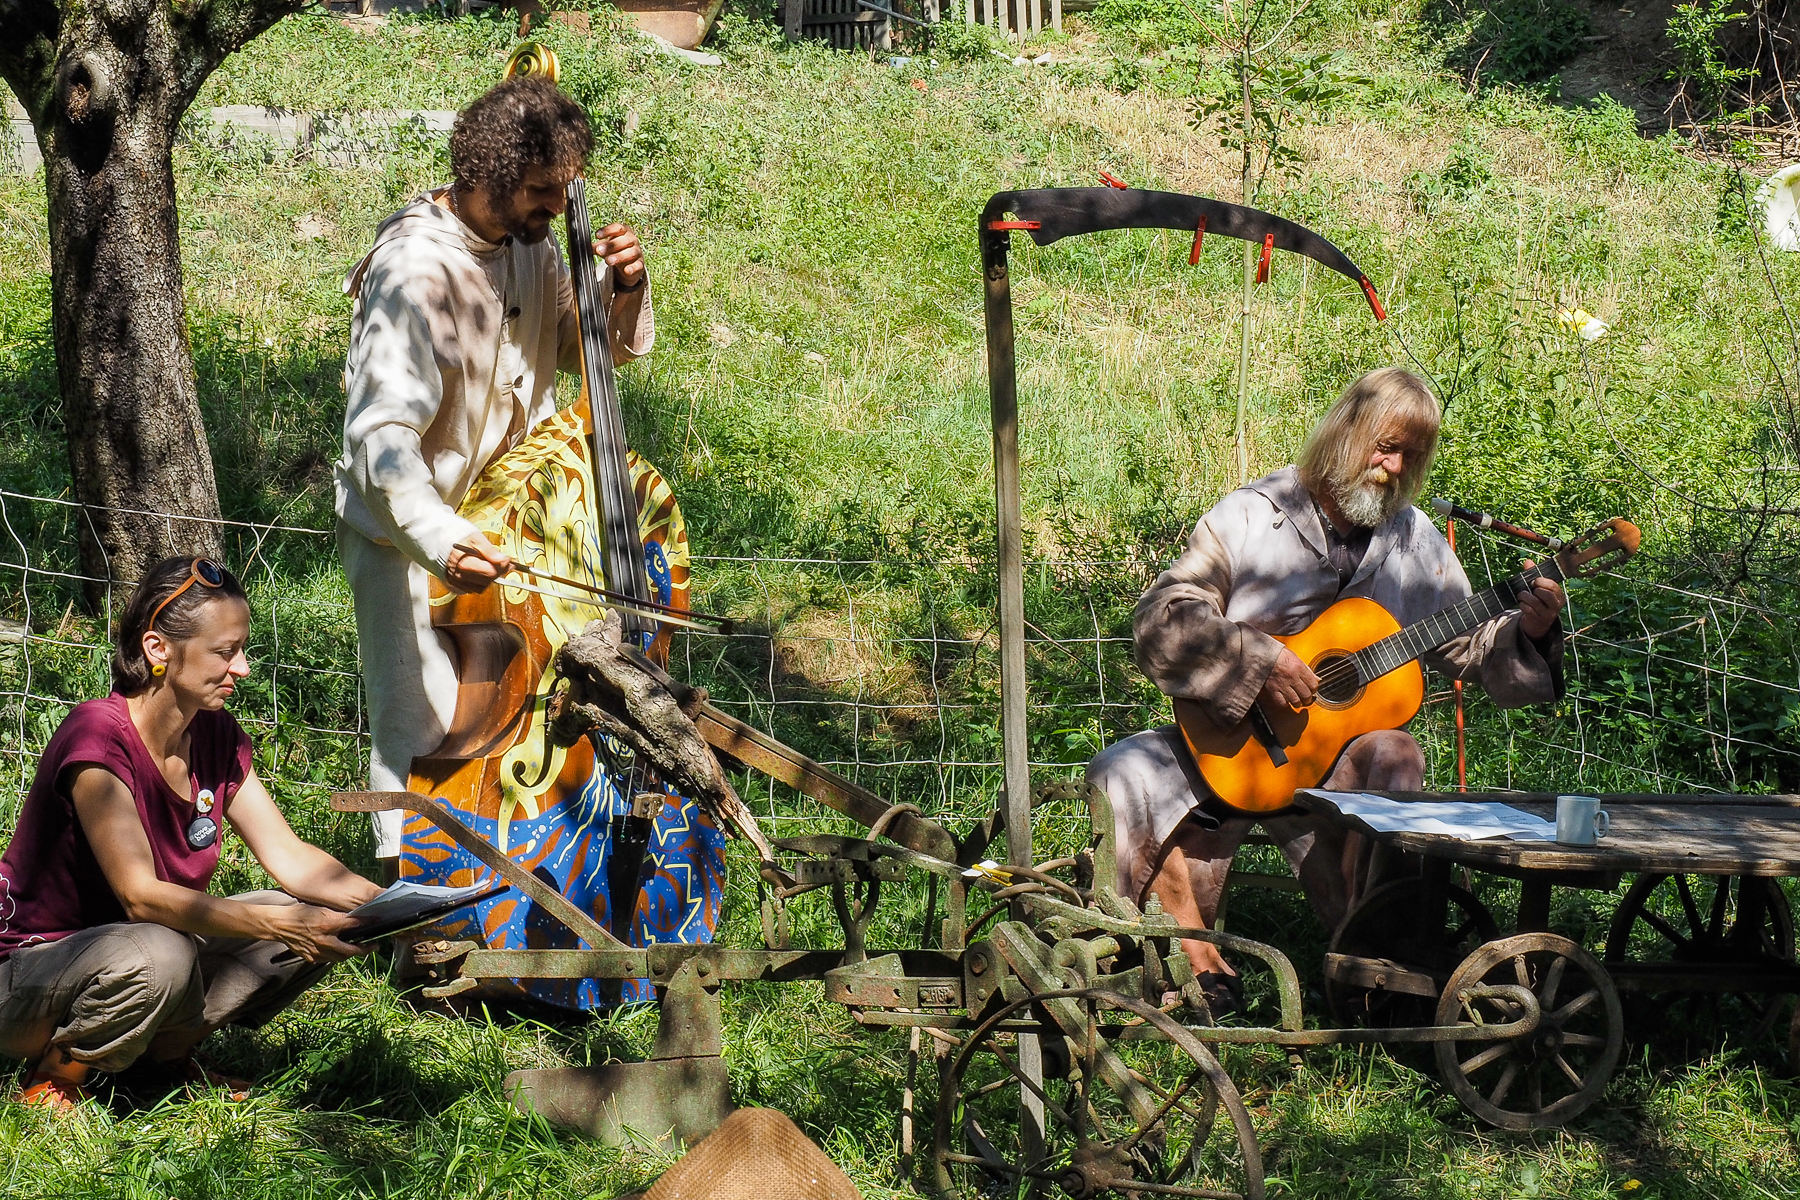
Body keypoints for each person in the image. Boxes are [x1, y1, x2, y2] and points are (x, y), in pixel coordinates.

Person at [1087, 367, 1567, 1004]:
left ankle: (1374, 962)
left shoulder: (1414, 541)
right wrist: (1256, 661)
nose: (1395, 468)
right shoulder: (1253, 517)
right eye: (1385, 446)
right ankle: (1187, 960)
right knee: (1125, 768)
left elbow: (1471, 649)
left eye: (1412, 457)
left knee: (1398, 752)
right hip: (1228, 746)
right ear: (1346, 432)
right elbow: (1161, 620)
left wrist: (1530, 632)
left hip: (1334, 762)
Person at [336, 76, 653, 867]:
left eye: (564, 193)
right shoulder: (414, 273)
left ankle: (513, 884)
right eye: (544, 192)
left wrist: (625, 291)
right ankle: (413, 904)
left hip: (515, 525)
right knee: (422, 723)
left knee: (522, 725)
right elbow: (380, 437)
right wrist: (441, 537)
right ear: (488, 173)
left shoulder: (533, 248)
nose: (557, 208)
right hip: (412, 535)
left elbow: (591, 355)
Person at [0, 557, 383, 1111]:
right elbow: (140, 896)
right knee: (166, 950)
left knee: (290, 914)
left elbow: (290, 856)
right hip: (29, 971)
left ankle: (159, 1061)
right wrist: (279, 920)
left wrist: (389, 912)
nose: (243, 668)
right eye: (225, 652)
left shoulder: (215, 733)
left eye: (242, 649)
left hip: (132, 955)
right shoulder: (97, 737)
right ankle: (59, 1076)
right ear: (159, 650)